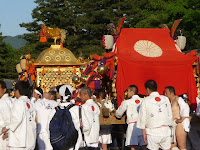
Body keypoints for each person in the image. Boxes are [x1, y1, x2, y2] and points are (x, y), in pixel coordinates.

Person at [48, 84, 91, 150]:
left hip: (58, 145)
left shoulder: (54, 110)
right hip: (75, 145)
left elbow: (48, 128)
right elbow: (87, 127)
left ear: (60, 95)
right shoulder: (78, 109)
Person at [137, 80, 172, 150]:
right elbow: (170, 115)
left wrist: (143, 133)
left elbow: (142, 117)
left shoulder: (145, 100)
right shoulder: (165, 99)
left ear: (147, 89)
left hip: (152, 132)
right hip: (165, 130)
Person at [2, 81, 36, 150]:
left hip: (19, 142)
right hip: (30, 140)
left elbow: (17, 119)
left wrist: (6, 127)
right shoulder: (30, 103)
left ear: (18, 90)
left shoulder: (18, 102)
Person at [116, 85, 146, 150]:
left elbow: (118, 114)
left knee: (133, 146)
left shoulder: (127, 102)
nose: (127, 93)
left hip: (132, 126)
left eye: (128, 91)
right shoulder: (143, 100)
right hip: (142, 126)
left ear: (132, 92)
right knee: (144, 146)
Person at [0, 80, 12, 150]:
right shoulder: (10, 100)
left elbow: (9, 120)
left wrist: (7, 132)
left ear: (4, 90)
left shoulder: (2, 102)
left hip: (3, 136)